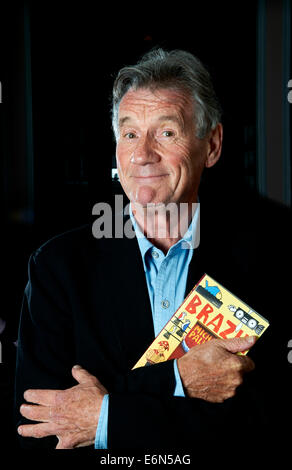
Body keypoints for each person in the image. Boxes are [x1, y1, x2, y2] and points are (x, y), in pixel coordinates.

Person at [15, 48, 291, 450]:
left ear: (212, 145)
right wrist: (180, 381)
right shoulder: (58, 266)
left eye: (166, 132)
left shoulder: (274, 258)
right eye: (129, 134)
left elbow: (268, 422)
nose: (142, 154)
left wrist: (103, 417)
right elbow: (38, 427)